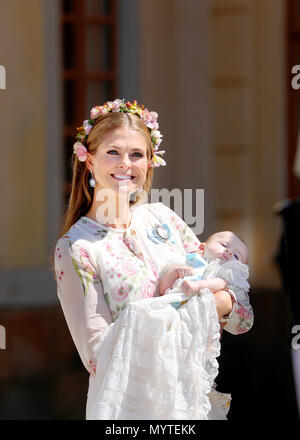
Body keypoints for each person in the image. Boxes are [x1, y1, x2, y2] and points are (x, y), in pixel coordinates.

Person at [53, 99, 253, 419]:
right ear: (88, 161)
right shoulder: (76, 249)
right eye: (113, 152)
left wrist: (217, 299)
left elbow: (241, 317)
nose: (125, 164)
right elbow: (98, 357)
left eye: (137, 155)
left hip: (191, 403)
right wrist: (207, 306)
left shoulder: (163, 218)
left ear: (149, 162)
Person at [158, 231, 253, 334]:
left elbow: (220, 283)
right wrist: (175, 273)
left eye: (236, 256)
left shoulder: (224, 273)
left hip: (193, 318)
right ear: (202, 248)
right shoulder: (189, 261)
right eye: (224, 245)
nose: (230, 252)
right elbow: (163, 290)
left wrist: (197, 286)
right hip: (168, 310)